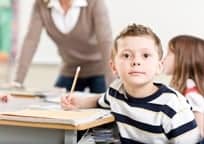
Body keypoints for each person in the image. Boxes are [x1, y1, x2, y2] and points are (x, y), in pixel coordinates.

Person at [61, 24, 201, 143]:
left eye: (145, 55)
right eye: (126, 55)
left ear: (159, 66)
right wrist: (77, 102)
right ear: (114, 67)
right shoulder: (115, 91)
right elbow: (99, 100)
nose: (136, 61)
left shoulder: (173, 106)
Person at [12, 0, 113, 93]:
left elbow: (105, 42)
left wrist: (113, 85)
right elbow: (31, 41)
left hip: (100, 69)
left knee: (102, 105)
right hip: (69, 69)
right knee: (53, 104)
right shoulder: (41, 5)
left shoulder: (94, 3)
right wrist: (17, 82)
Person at [163, 35, 204, 143]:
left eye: (168, 54)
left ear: (183, 59)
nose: (163, 58)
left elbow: (200, 132)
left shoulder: (190, 90)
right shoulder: (185, 87)